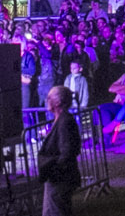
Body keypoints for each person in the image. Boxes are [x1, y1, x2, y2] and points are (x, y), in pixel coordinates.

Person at [39, 85, 83, 216]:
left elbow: (68, 151)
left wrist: (54, 169)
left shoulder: (65, 122)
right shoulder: (61, 120)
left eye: (49, 97)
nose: (47, 100)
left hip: (60, 179)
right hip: (58, 178)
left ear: (57, 102)